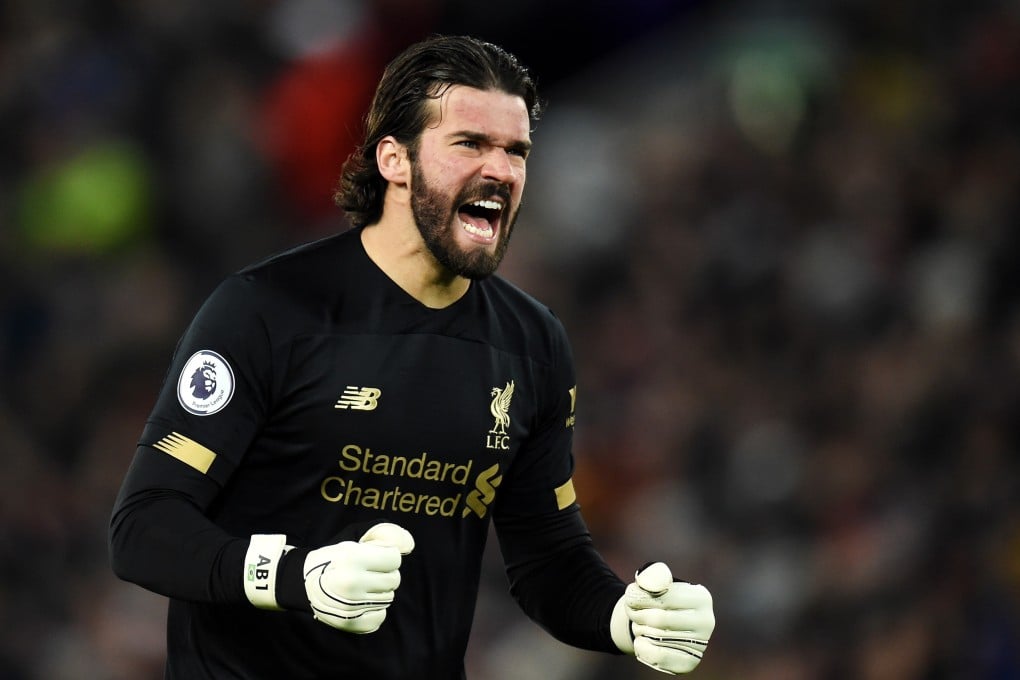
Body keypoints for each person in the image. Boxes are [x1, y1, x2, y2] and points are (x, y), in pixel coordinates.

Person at [109, 34, 715, 679]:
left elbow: (548, 561)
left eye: (516, 151)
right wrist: (294, 576)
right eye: (470, 144)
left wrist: (621, 615)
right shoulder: (267, 312)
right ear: (394, 160)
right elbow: (145, 527)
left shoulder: (531, 345)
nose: (502, 171)